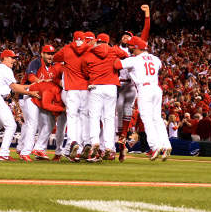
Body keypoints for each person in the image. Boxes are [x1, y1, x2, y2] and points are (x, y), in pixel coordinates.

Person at [115, 36, 172, 161]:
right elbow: (158, 67)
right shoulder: (156, 59)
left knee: (147, 119)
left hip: (144, 89)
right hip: (156, 89)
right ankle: (166, 144)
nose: (130, 49)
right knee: (157, 119)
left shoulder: (134, 60)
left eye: (131, 47)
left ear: (136, 49)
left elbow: (117, 64)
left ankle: (155, 146)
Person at [81, 33, 128, 162]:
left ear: (97, 42)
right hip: (111, 87)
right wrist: (114, 50)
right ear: (107, 42)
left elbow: (85, 72)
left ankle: (95, 142)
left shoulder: (89, 52)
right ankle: (108, 146)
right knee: (109, 118)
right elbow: (125, 55)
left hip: (95, 86)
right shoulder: (113, 50)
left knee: (94, 117)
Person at [115, 5, 151, 155]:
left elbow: (146, 31)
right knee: (118, 108)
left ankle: (123, 137)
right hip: (118, 85)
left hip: (131, 85)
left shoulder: (136, 51)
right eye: (123, 36)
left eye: (128, 36)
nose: (125, 37)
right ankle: (120, 137)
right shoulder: (115, 48)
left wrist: (147, 14)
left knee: (127, 110)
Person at [53, 32, 90, 161]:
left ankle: (73, 141)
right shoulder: (89, 49)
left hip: (71, 88)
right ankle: (86, 142)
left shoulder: (67, 49)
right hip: (85, 88)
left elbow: (55, 58)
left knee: (72, 116)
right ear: (84, 39)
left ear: (73, 39)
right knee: (84, 116)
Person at [17, 44, 56, 160]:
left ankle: (39, 149)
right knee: (32, 123)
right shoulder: (36, 63)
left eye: (52, 54)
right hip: (30, 94)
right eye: (48, 53)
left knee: (50, 122)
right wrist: (41, 81)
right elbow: (31, 77)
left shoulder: (54, 66)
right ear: (42, 54)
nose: (50, 56)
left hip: (43, 97)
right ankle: (24, 151)